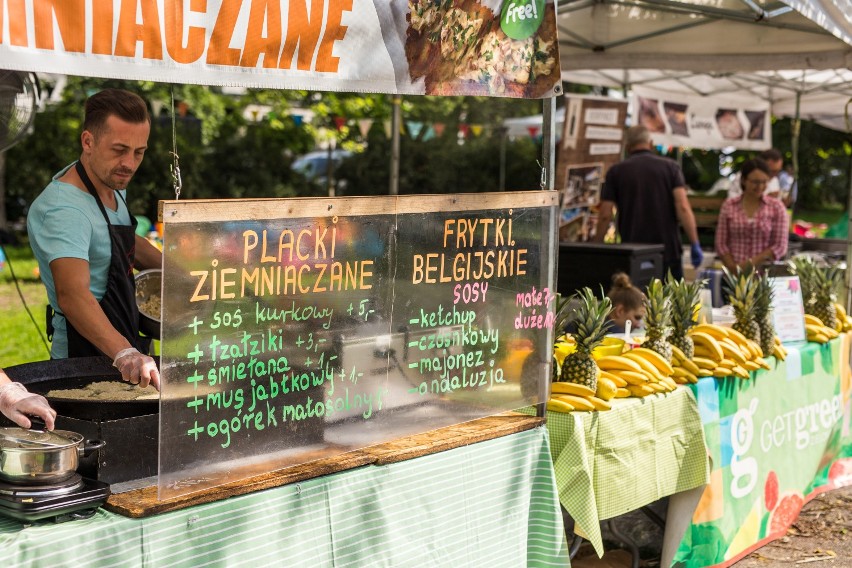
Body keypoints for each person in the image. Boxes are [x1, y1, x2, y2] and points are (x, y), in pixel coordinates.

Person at [27, 89, 161, 390]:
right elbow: (72, 295)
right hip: (83, 357)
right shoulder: (64, 210)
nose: (129, 163)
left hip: (127, 343)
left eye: (139, 152)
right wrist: (125, 352)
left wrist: (185, 276)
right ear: (88, 141)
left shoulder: (111, 181)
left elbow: (121, 239)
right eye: (119, 149)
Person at [594, 125, 703, 280]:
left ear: (627, 147)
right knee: (670, 302)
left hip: (632, 253)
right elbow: (683, 207)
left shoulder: (616, 172)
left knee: (636, 303)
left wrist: (596, 246)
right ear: (650, 143)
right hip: (668, 251)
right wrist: (694, 243)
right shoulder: (671, 168)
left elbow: (605, 214)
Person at [715, 158, 789, 272]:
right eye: (755, 182)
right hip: (733, 274)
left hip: (765, 275)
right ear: (744, 180)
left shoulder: (777, 207)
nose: (760, 187)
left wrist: (748, 265)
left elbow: (779, 246)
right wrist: (733, 268)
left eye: (764, 182)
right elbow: (721, 243)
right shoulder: (729, 205)